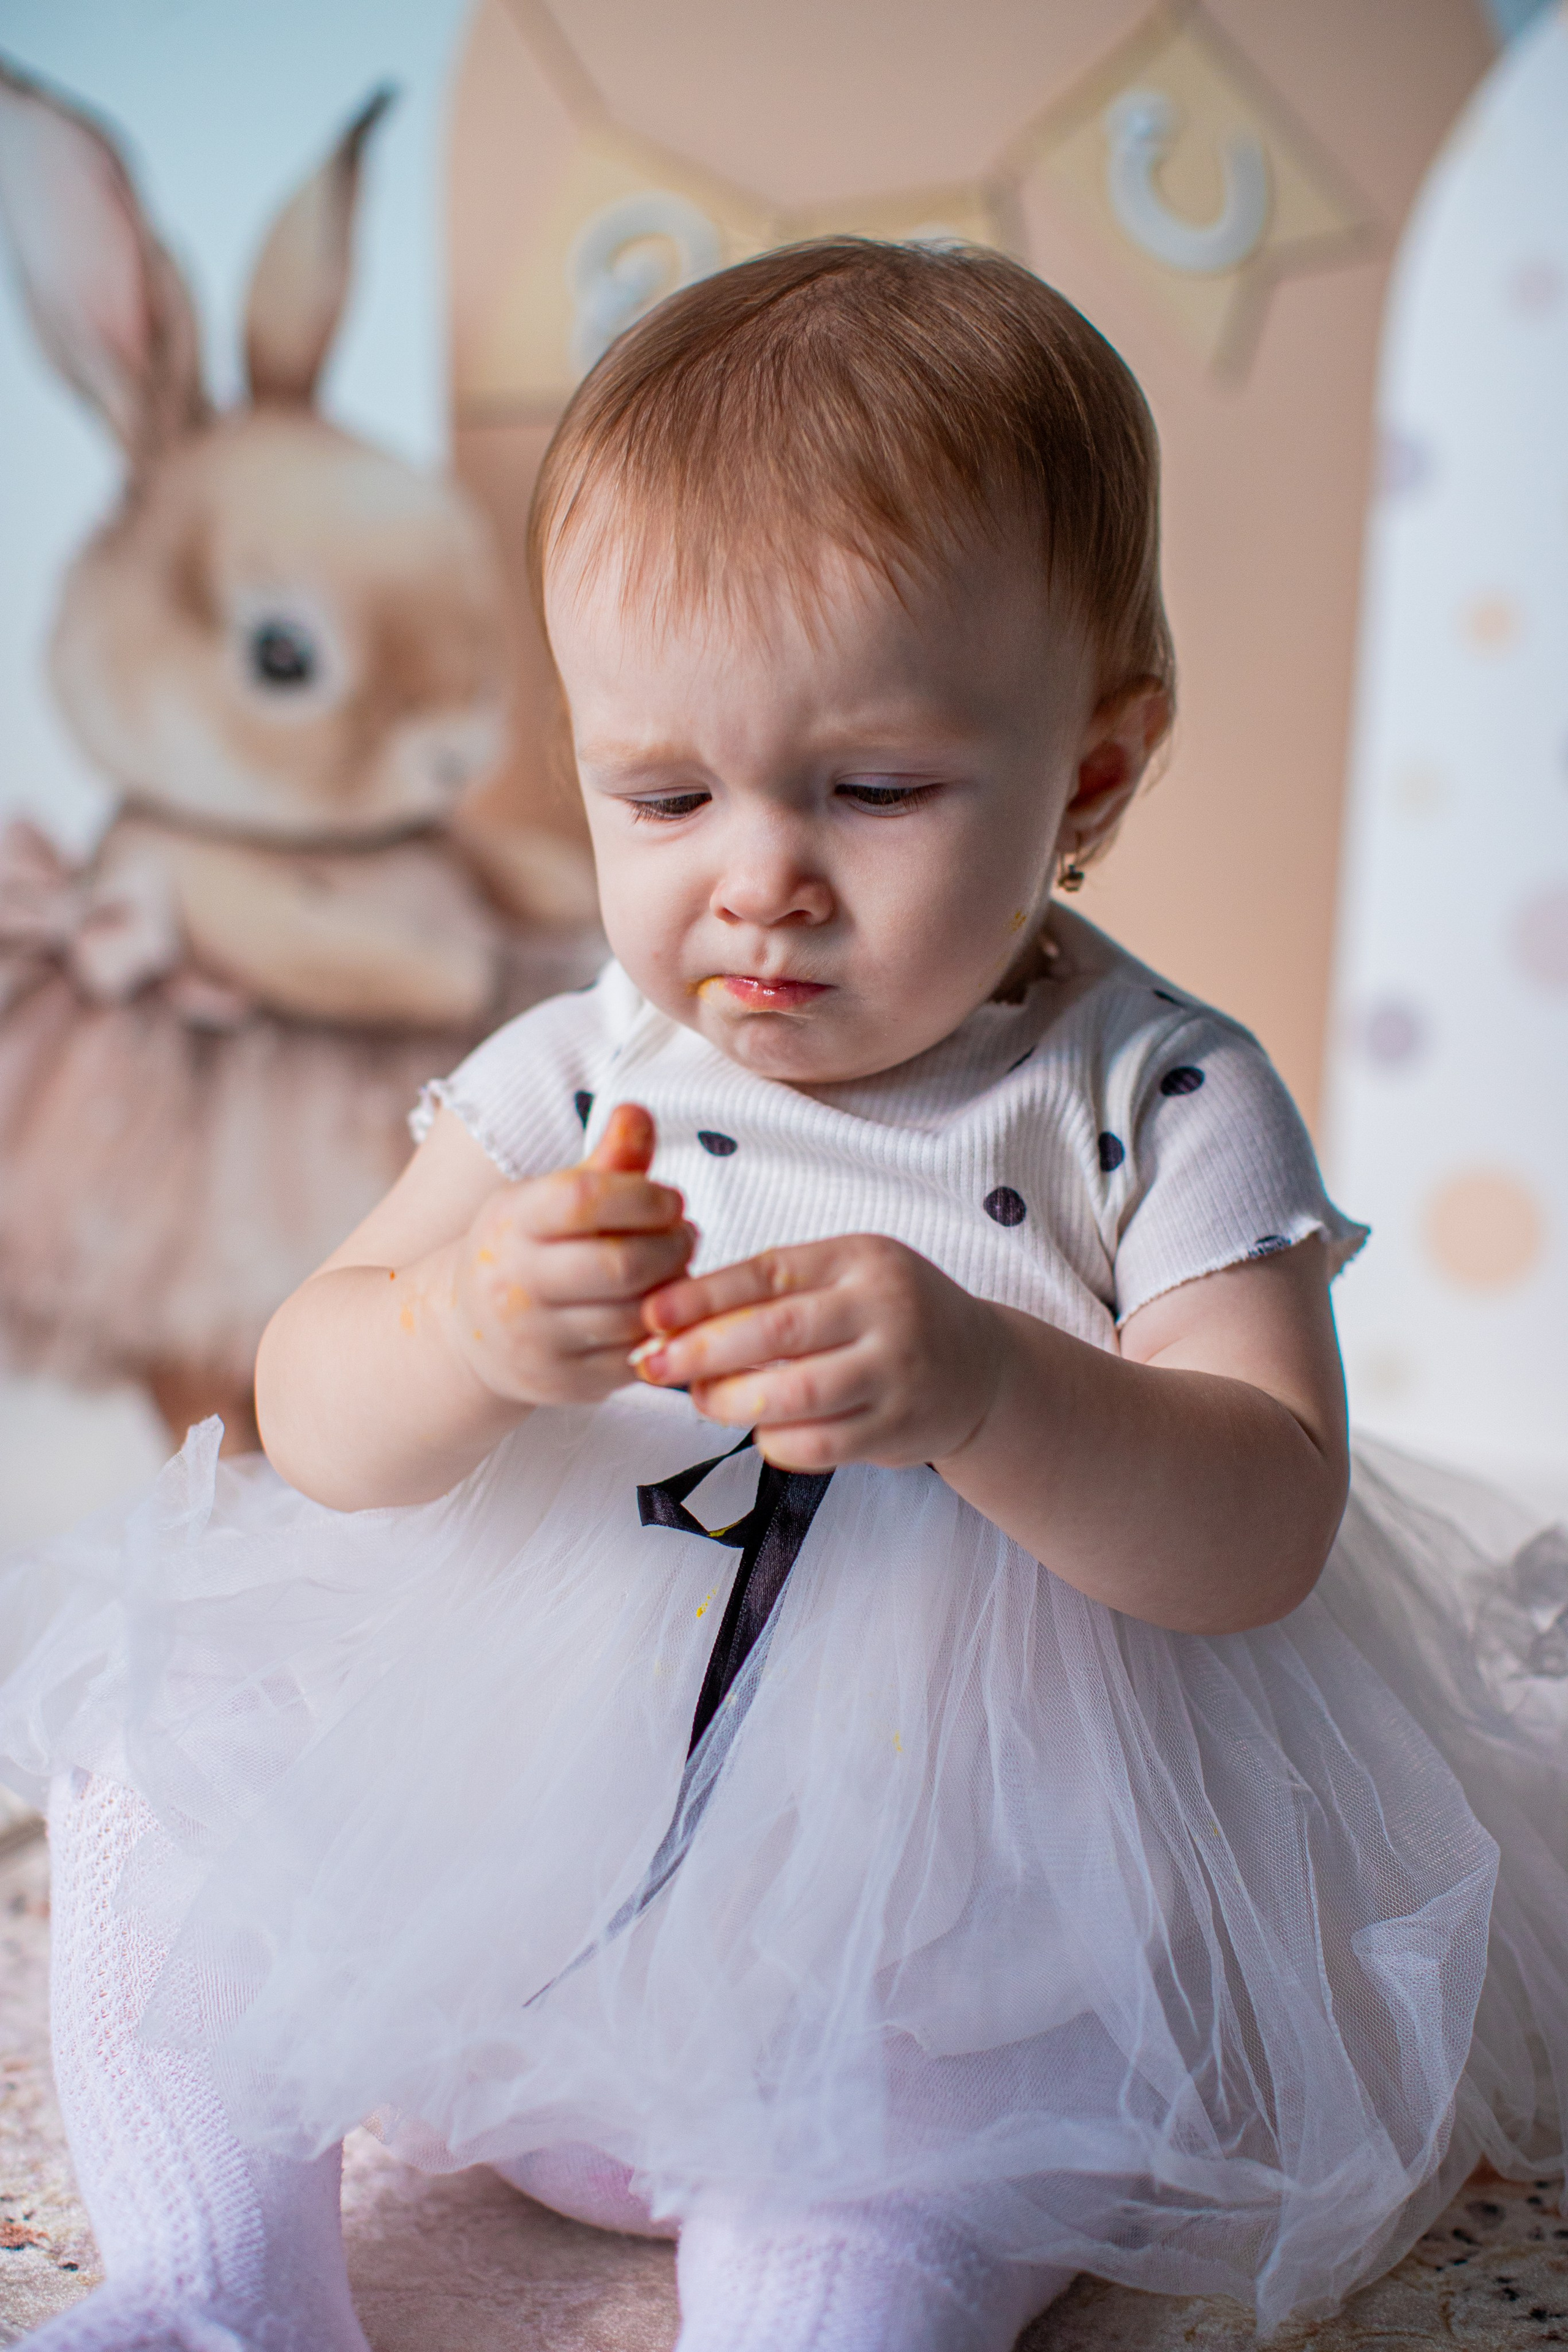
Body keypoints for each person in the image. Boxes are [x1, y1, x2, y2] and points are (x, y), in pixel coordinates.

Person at [1, 239, 1563, 2352]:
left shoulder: (1147, 1097)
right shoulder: (581, 1068)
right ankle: (217, 2286)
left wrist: (997, 1386)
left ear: (1089, 777)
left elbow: (1264, 1519)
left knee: (860, 2233)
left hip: (930, 1983)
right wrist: (457, 1331)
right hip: (506, 1938)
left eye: (876, 791)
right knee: (151, 1772)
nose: (756, 879)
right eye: (661, 794)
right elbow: (310, 1403)